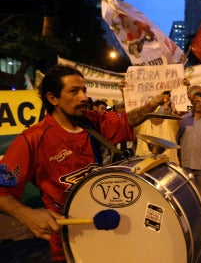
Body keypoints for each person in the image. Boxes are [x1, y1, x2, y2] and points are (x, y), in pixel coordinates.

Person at [0, 65, 165, 262]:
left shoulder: (92, 121)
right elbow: (2, 190)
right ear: (53, 99)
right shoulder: (33, 139)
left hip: (106, 228)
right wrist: (27, 215)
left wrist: (152, 104)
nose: (84, 97)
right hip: (68, 243)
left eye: (84, 90)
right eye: (74, 91)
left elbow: (125, 122)